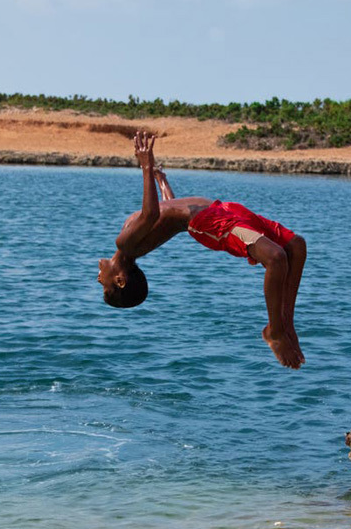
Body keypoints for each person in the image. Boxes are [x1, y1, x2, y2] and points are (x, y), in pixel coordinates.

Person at [98, 131, 307, 369]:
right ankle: (275, 331)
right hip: (211, 223)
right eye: (103, 285)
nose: (98, 278)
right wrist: (145, 166)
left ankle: (287, 323)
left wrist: (160, 178)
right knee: (276, 258)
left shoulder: (132, 245)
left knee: (296, 246)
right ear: (120, 280)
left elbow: (167, 207)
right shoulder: (125, 244)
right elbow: (151, 214)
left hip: (224, 210)